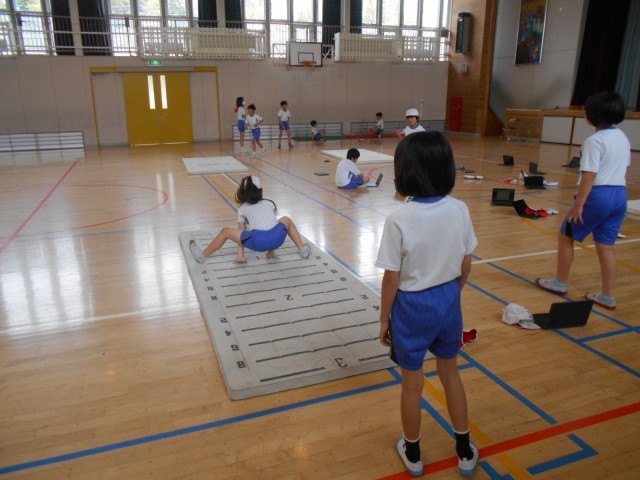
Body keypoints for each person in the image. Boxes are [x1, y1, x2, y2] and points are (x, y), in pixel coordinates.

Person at [376, 131, 479, 477]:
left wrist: (384, 320)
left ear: (403, 173)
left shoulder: (398, 219)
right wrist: (451, 293)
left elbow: (392, 280)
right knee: (450, 373)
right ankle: (464, 449)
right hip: (448, 299)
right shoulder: (460, 209)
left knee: (412, 383)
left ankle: (414, 452)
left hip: (411, 307)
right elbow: (466, 265)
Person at [535, 91, 630, 310]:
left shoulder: (594, 141)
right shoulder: (623, 138)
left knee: (565, 236)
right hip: (620, 195)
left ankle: (560, 282)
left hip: (599, 196)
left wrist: (579, 204)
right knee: (606, 247)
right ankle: (608, 296)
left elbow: (590, 174)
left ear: (590, 117)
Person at [189, 176, 311, 264]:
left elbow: (241, 233)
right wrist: (271, 251)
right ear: (261, 190)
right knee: (286, 219)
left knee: (225, 231)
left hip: (259, 243)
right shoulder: (270, 202)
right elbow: (270, 224)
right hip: (278, 240)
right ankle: (302, 249)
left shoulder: (242, 208)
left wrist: (240, 256)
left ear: (242, 192)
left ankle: (202, 256)